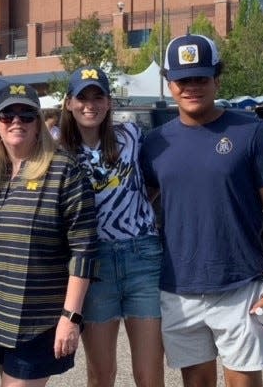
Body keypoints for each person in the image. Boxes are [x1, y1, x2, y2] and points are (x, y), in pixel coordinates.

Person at [140, 34, 263, 387]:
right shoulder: (155, 143)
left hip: (240, 286)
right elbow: (137, 207)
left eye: (201, 78)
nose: (192, 87)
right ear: (169, 83)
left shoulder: (252, 132)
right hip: (178, 289)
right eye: (183, 80)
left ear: (217, 79)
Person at [0, 83, 98, 387]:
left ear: (39, 123)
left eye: (27, 115)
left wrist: (71, 317)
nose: (17, 121)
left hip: (40, 318)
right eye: (7, 115)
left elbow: (85, 249)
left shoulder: (63, 170)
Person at [59, 66, 164, 387]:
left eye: (98, 96)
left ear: (108, 102)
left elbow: (152, 181)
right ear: (68, 103)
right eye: (82, 97)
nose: (90, 104)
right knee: (101, 374)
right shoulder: (56, 148)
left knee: (149, 374)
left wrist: (133, 213)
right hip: (94, 263)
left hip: (142, 258)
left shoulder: (130, 135)